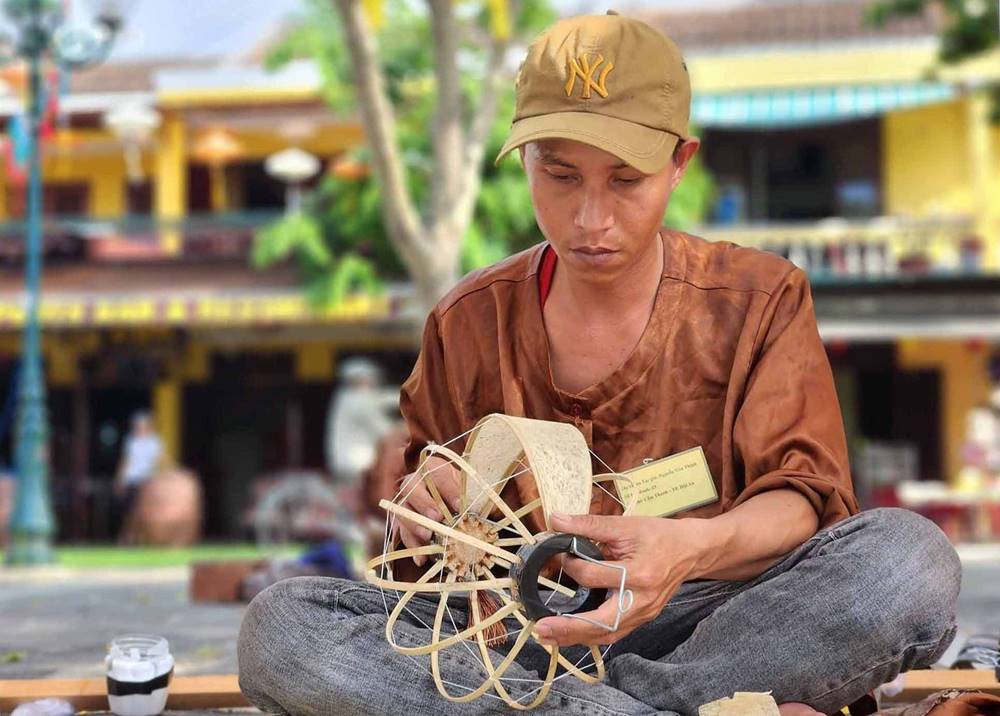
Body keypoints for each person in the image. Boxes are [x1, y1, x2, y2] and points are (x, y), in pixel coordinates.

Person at [238, 13, 961, 715]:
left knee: (907, 561)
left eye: (624, 181)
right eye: (559, 175)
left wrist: (689, 547)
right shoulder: (466, 321)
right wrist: (426, 507)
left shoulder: (757, 299)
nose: (590, 219)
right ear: (525, 160)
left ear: (680, 164)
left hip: (713, 623)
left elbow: (803, 501)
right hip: (515, 637)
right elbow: (419, 574)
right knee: (285, 626)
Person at [324, 357, 400, 489]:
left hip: (344, 464)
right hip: (357, 465)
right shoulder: (359, 401)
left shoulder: (345, 397)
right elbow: (386, 431)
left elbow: (384, 398)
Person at [114, 411, 163, 542]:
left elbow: (157, 462)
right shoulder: (131, 441)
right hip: (132, 479)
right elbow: (126, 461)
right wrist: (120, 479)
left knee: (144, 512)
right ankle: (126, 537)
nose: (139, 427)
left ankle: (140, 538)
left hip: (147, 480)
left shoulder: (154, 442)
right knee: (130, 511)